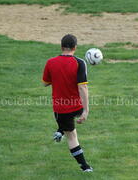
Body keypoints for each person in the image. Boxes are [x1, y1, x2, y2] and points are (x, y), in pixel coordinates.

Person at [42, 34, 93, 172]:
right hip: (77, 105)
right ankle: (85, 168)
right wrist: (86, 110)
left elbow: (46, 83)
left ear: (61, 47)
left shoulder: (50, 62)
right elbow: (82, 87)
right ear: (75, 47)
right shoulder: (80, 63)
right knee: (72, 135)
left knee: (69, 131)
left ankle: (61, 131)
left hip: (61, 108)